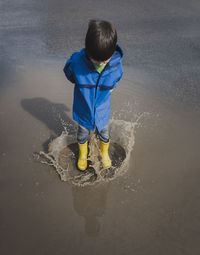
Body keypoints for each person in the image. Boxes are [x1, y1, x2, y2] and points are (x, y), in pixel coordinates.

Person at [63, 19, 123, 171]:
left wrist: (111, 87)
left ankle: (104, 153)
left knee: (104, 131)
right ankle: (83, 154)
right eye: (96, 60)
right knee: (83, 132)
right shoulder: (77, 62)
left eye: (105, 59)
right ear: (87, 51)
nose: (101, 63)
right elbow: (69, 73)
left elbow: (117, 77)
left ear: (113, 51)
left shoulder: (116, 65)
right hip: (83, 107)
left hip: (102, 107)